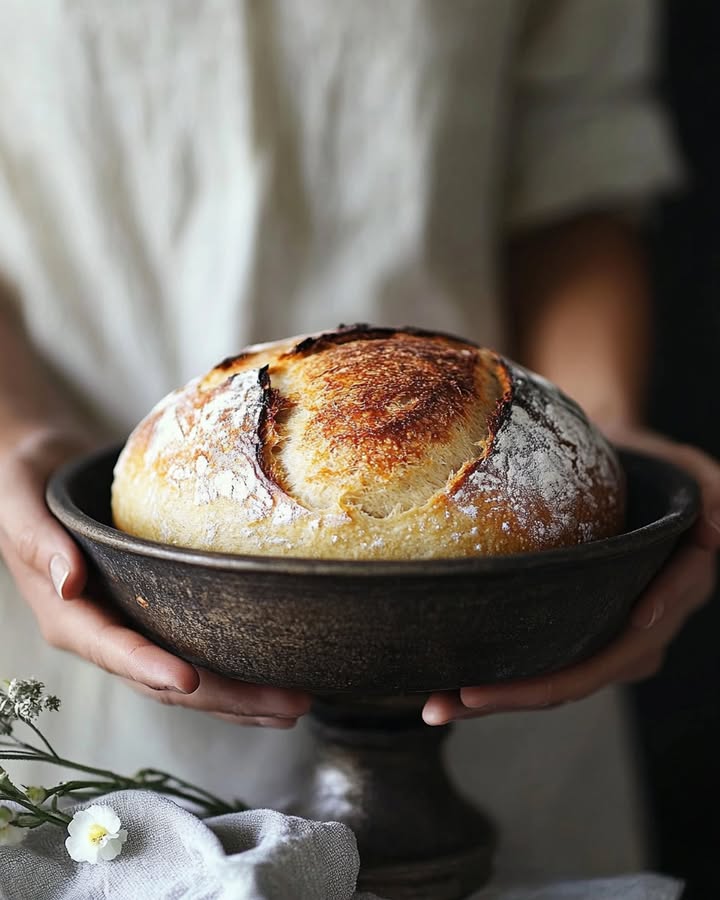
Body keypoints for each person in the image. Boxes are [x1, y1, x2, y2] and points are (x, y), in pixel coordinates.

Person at [0, 0, 717, 882]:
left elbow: (575, 162)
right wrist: (14, 438)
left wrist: (606, 443)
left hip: (501, 612)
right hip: (97, 595)